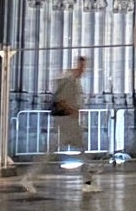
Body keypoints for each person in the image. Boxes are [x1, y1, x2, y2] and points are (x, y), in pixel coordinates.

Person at [21, 55, 94, 196]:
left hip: (67, 119)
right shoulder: (68, 80)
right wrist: (74, 112)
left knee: (76, 150)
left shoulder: (73, 80)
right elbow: (60, 100)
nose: (84, 69)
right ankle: (29, 177)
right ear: (78, 65)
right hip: (66, 119)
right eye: (82, 66)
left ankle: (88, 181)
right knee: (59, 150)